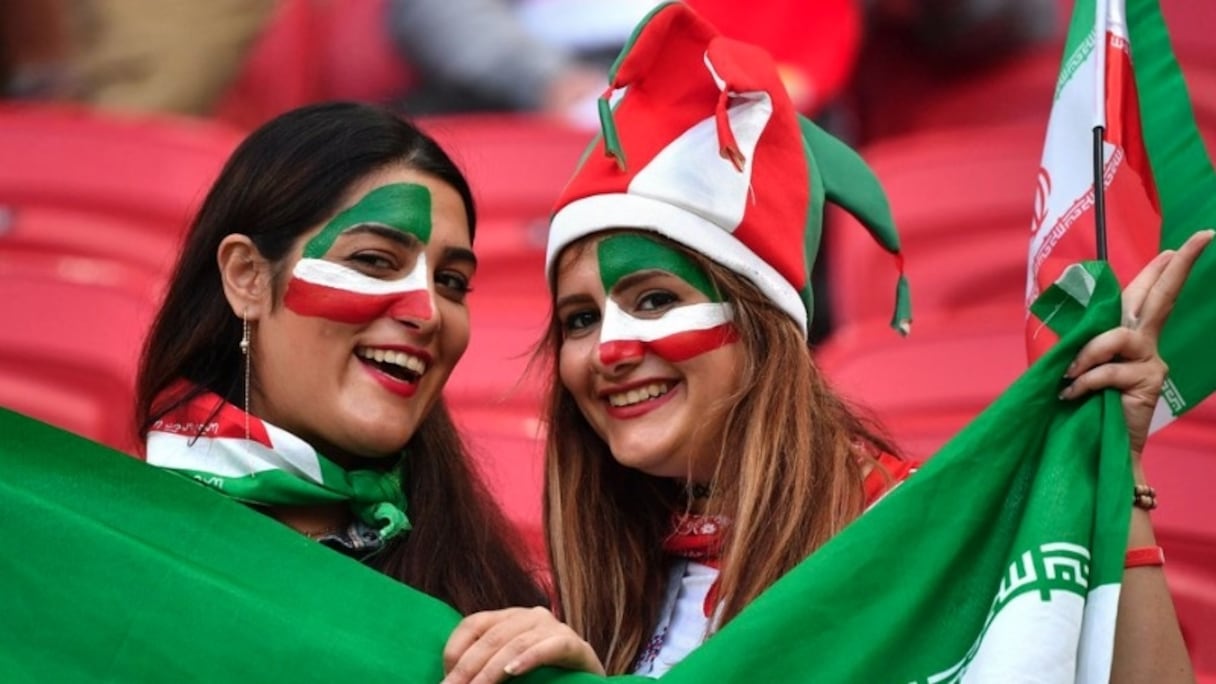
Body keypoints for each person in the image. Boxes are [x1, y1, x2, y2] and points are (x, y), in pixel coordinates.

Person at [437, 3, 1202, 681]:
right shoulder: (611, 569)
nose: (609, 348)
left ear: (763, 329)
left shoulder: (913, 537)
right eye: (579, 319)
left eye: (657, 300)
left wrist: (1114, 475)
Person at [134, 101, 547, 614]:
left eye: (451, 282)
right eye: (373, 261)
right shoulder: (113, 538)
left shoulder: (490, 591)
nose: (428, 314)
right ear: (247, 277)